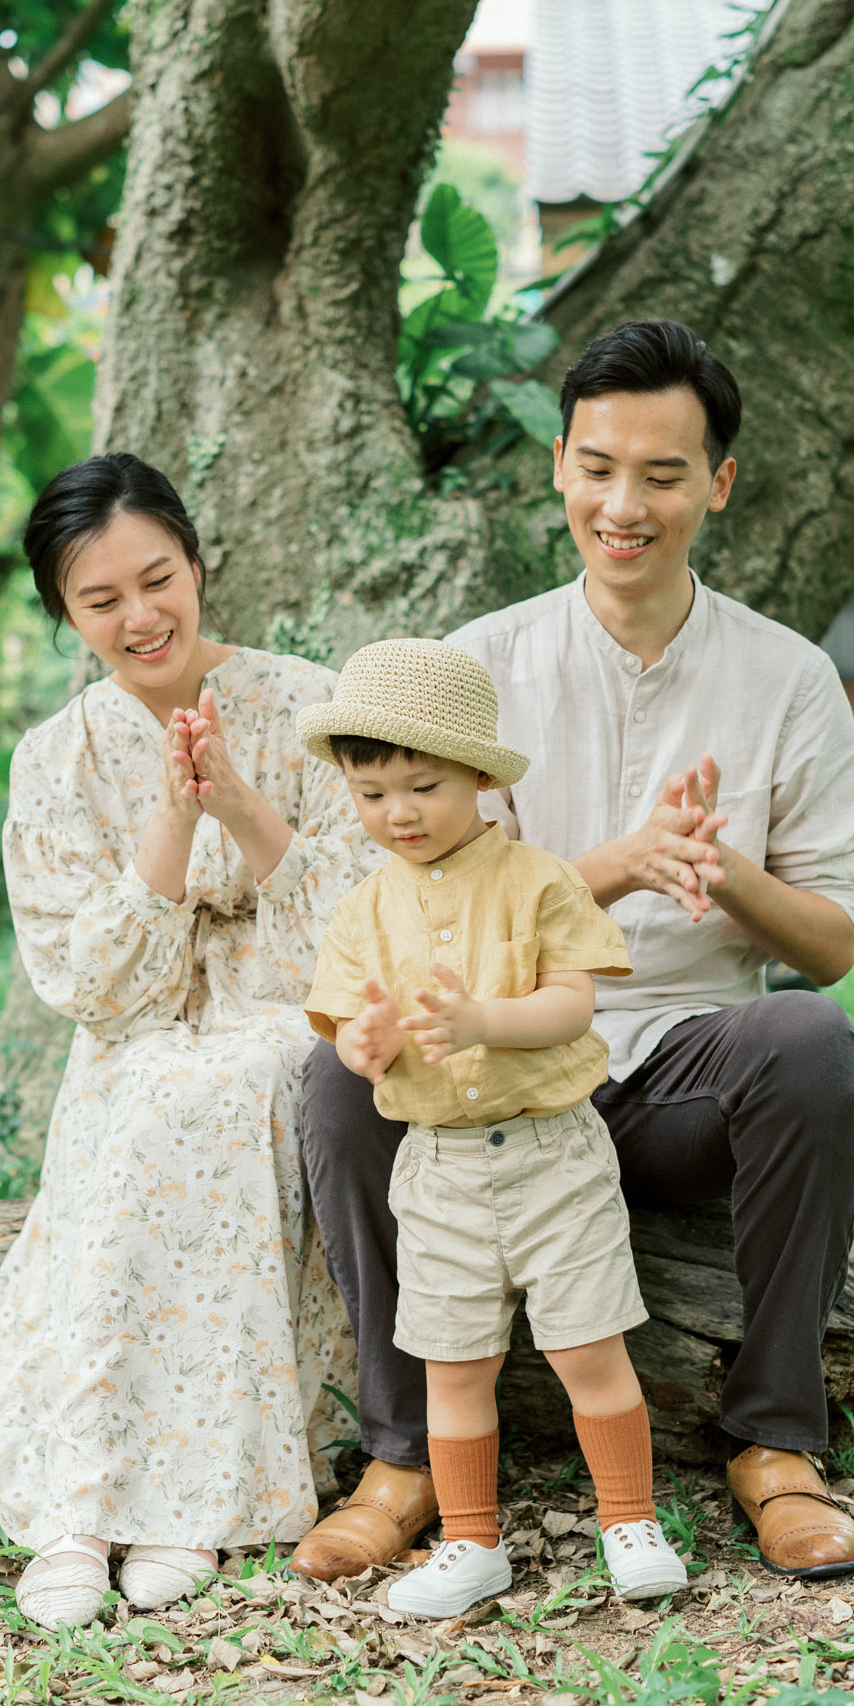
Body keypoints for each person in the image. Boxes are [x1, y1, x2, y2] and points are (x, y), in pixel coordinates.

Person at [295, 320, 854, 1586]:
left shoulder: (789, 678)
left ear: (718, 483)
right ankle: (403, 1461)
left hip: (675, 1078)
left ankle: (775, 1444)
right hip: (492, 1070)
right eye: (599, 468)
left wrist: (724, 874)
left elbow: (827, 948)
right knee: (337, 1080)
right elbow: (416, 882)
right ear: (559, 465)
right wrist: (619, 860)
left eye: (664, 474)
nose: (626, 504)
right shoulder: (479, 668)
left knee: (811, 1043)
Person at [0, 454, 376, 1628]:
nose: (140, 616)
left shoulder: (313, 707)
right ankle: (83, 1507)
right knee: (144, 1096)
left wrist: (238, 800)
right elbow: (95, 988)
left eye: (157, 580)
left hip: (279, 1025)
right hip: (137, 1044)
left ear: (197, 567)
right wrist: (167, 814)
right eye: (101, 602)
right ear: (65, 615)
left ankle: (188, 1501)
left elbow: (358, 930)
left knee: (223, 1091)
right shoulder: (53, 761)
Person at [295, 638, 690, 1616]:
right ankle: (472, 1543)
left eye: (423, 786)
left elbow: (572, 1005)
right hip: (439, 1169)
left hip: (554, 1153)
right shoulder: (363, 910)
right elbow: (347, 1031)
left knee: (588, 1346)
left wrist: (482, 1023)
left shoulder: (539, 879)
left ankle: (629, 1519)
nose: (400, 814)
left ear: (479, 774)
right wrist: (368, 1043)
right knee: (454, 1359)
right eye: (373, 793)